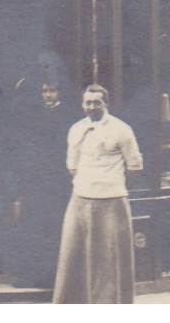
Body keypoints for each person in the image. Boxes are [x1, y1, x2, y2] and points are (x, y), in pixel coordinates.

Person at [53, 84, 143, 304]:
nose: (91, 107)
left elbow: (135, 166)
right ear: (82, 104)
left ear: (106, 103)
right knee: (74, 257)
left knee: (109, 260)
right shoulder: (75, 129)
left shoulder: (122, 129)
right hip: (80, 199)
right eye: (87, 102)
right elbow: (71, 166)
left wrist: (112, 185)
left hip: (112, 201)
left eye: (96, 102)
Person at [12, 80, 70, 289]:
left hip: (57, 180)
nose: (48, 95)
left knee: (54, 228)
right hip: (35, 179)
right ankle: (31, 276)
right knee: (33, 227)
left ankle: (53, 278)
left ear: (60, 93)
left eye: (52, 90)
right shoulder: (34, 115)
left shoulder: (67, 116)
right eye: (45, 91)